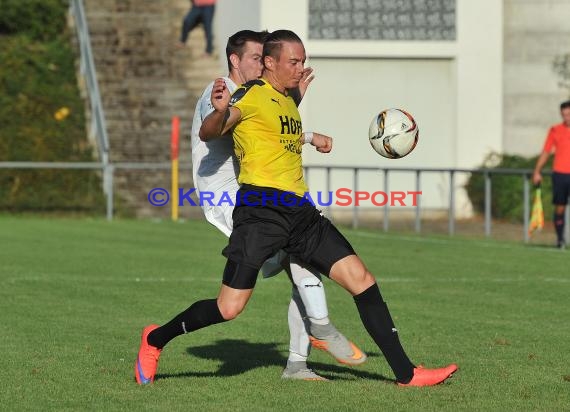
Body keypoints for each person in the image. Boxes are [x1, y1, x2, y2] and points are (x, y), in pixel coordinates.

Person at [135, 29, 457, 387]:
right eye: (294, 61)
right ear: (270, 63)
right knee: (229, 308)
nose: (301, 67)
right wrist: (220, 111)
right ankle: (155, 339)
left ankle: (406, 373)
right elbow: (212, 131)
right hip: (261, 212)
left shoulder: (286, 100)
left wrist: (302, 110)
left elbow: (273, 133)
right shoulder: (250, 95)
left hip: (301, 213)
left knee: (363, 281)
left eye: (303, 60)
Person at [189, 29, 366, 381]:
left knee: (302, 264)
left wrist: (298, 114)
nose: (262, 65)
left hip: (258, 193)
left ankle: (301, 359)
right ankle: (320, 331)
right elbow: (221, 126)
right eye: (256, 59)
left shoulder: (258, 93)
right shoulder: (221, 90)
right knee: (294, 264)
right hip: (227, 196)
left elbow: (267, 129)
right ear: (234, 60)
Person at [533, 100, 570, 249]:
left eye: (569, 114)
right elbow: (546, 151)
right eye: (564, 115)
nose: (567, 117)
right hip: (560, 174)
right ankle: (560, 240)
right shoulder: (555, 130)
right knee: (560, 208)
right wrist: (537, 171)